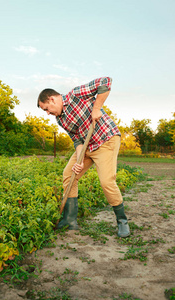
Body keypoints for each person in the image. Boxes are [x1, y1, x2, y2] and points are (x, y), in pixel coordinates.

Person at [37, 77, 130, 238]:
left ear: (52, 99)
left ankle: (122, 221)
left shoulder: (75, 95)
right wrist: (79, 161)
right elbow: (77, 140)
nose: (47, 113)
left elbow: (105, 81)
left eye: (46, 108)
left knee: (107, 181)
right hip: (87, 147)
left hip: (105, 139)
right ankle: (70, 220)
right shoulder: (60, 119)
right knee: (69, 174)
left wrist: (97, 108)